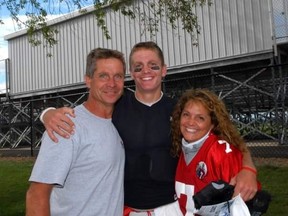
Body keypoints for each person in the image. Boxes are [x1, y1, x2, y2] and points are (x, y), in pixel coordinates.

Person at [40, 42, 258, 215]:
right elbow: (87, 112)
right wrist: (47, 113)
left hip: (170, 208)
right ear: (132, 74)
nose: (146, 71)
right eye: (138, 67)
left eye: (153, 65)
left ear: (163, 70)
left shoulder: (180, 111)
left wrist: (248, 170)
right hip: (123, 207)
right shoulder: (116, 104)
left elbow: (231, 141)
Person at [26, 48, 126, 216]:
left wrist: (45, 113)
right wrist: (47, 114)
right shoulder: (67, 126)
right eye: (103, 76)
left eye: (118, 76)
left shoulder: (118, 121)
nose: (112, 83)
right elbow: (37, 194)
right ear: (88, 80)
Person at [171, 88, 260, 215]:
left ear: (212, 124)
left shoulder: (221, 153)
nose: (190, 122)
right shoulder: (180, 148)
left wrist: (249, 170)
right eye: (186, 114)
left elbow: (241, 205)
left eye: (200, 118)